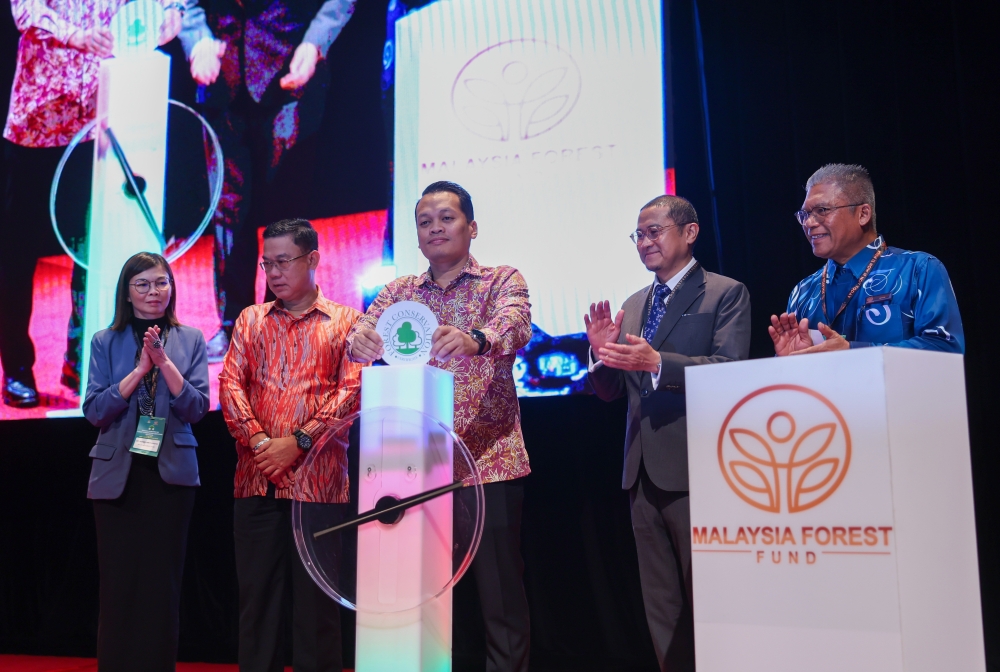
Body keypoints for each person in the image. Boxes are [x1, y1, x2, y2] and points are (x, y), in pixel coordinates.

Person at [348, 181, 533, 672]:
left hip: (487, 463)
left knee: (498, 596)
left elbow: (515, 325)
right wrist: (360, 341)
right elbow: (359, 331)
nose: (435, 228)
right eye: (425, 221)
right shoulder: (400, 292)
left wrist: (477, 338)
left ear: (471, 227)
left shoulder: (501, 280)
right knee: (415, 594)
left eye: (446, 218)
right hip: (409, 469)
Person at [585, 195, 750, 672]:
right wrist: (600, 355)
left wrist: (658, 362)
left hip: (698, 468)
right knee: (661, 608)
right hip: (640, 474)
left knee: (712, 599)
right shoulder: (635, 303)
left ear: (690, 232)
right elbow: (613, 391)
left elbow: (730, 369)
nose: (644, 242)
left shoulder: (724, 292)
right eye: (638, 235)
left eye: (654, 231)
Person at [0, 0, 183, 407]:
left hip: (98, 120)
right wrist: (77, 36)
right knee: (16, 254)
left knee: (91, 249)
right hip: (37, 123)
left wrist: (170, 15)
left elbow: (162, 7)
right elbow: (25, 12)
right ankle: (16, 368)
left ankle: (78, 357)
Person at [219, 218, 363, 672]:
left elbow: (352, 392)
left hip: (318, 487)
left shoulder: (347, 322)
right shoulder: (250, 319)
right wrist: (263, 442)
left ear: (313, 259)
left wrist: (298, 443)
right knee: (256, 606)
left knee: (316, 612)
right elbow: (230, 384)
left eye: (284, 262)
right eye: (268, 264)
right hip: (255, 479)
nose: (274, 273)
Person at [178, 0, 357, 362]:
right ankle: (234, 325)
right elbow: (186, 5)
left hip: (290, 77)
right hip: (221, 84)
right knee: (228, 210)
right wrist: (196, 39)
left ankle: (282, 322)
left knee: (286, 214)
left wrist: (315, 42)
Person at [83, 252, 210, 672]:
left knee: (162, 588)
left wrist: (164, 363)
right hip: (116, 475)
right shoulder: (105, 340)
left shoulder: (189, 338)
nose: (153, 292)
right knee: (118, 587)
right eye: (143, 284)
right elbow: (95, 411)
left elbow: (196, 409)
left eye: (161, 282)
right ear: (127, 292)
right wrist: (139, 371)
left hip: (169, 477)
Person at [769, 163, 964, 355]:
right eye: (805, 214)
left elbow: (945, 348)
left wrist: (852, 351)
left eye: (822, 210)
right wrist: (788, 362)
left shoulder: (918, 270)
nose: (809, 223)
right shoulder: (803, 292)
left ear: (863, 214)